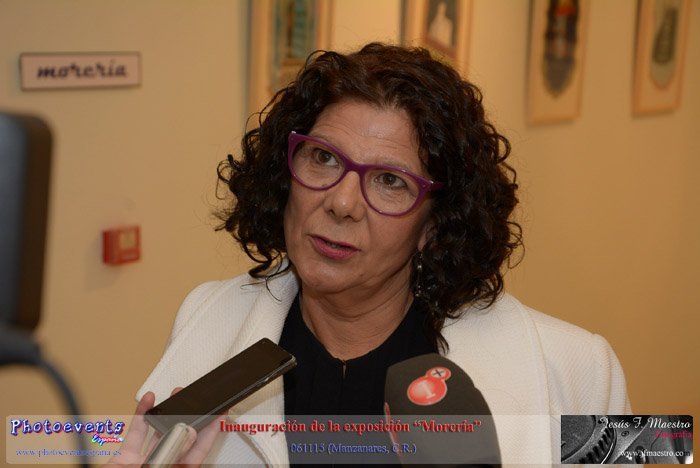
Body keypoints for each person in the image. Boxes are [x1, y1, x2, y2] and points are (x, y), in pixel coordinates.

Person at [112, 43, 631, 466]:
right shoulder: (206, 321)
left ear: (435, 223)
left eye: (389, 181)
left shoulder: (579, 366)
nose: (341, 203)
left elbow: (653, 451)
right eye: (323, 157)